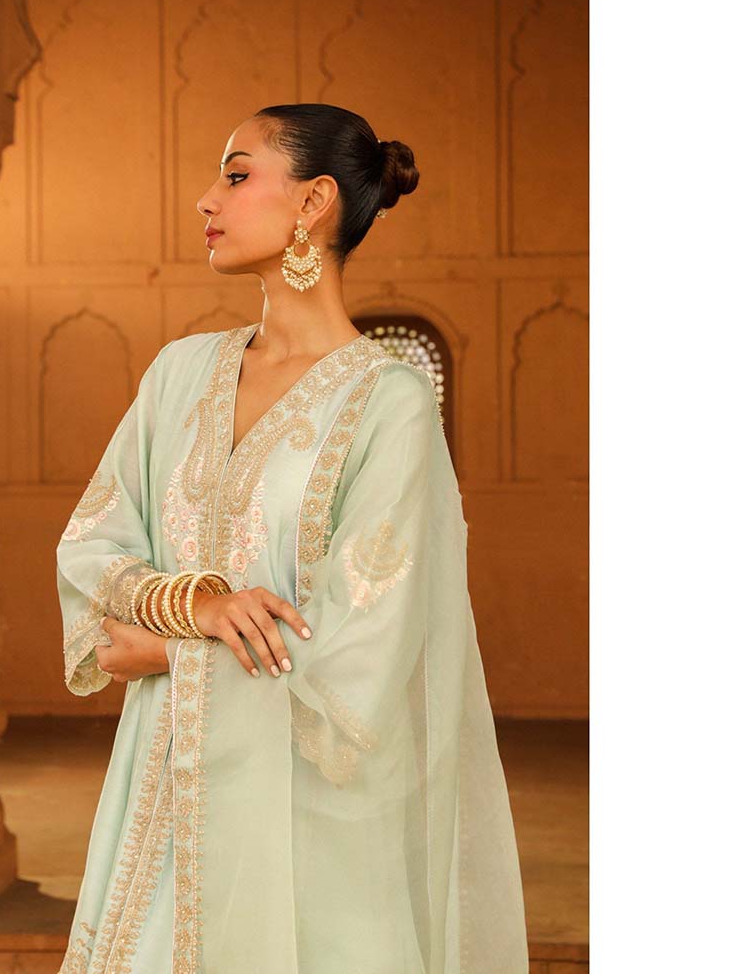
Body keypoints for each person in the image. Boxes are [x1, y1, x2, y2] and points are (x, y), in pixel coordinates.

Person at [55, 103, 528, 974]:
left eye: (237, 175)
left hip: (307, 817)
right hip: (160, 796)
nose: (207, 199)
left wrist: (169, 653)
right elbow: (92, 545)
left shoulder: (387, 404)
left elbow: (367, 644)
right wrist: (195, 606)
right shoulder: (178, 374)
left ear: (313, 201)